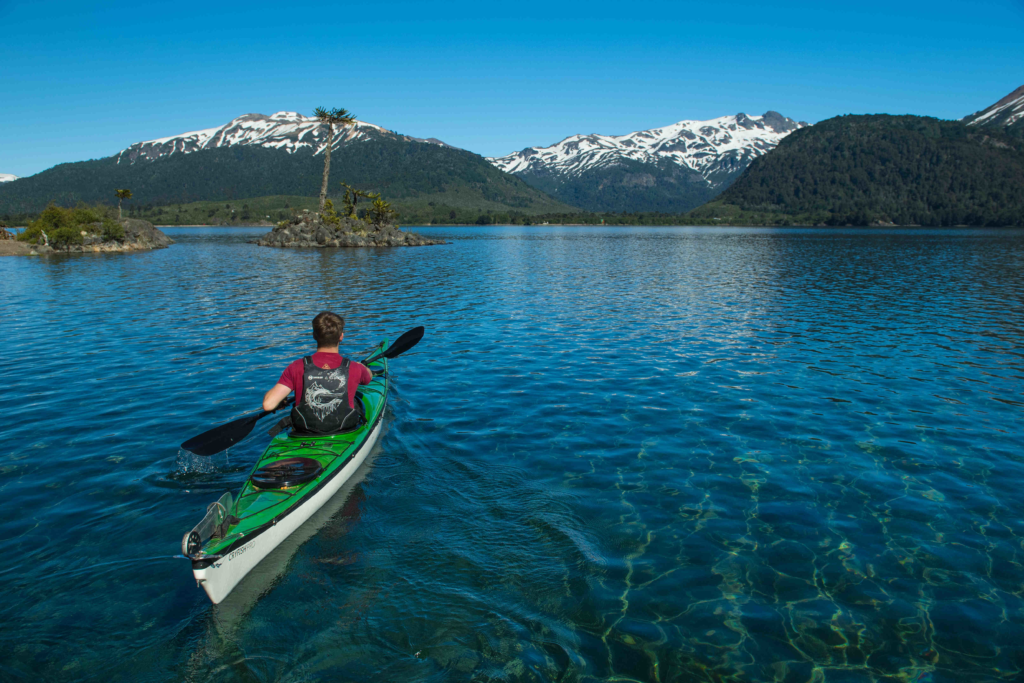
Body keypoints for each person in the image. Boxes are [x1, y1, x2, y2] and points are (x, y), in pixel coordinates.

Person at [263, 311, 373, 434]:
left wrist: (282, 398)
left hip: (304, 430)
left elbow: (268, 405)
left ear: (314, 335)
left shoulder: (296, 367)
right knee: (358, 402)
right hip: (345, 428)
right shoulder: (355, 368)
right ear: (341, 336)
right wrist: (363, 367)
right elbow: (368, 378)